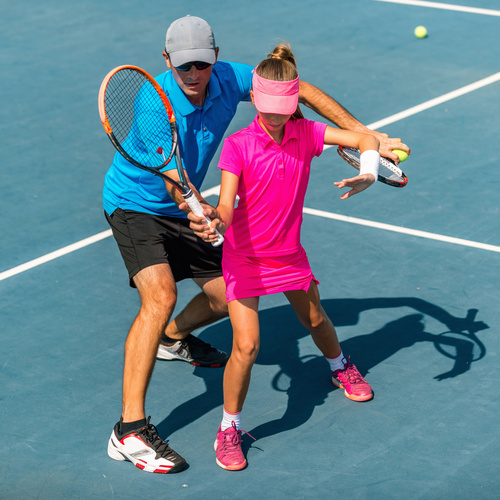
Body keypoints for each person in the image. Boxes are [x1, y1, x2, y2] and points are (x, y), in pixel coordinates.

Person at [103, 15, 410, 474]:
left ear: (215, 57)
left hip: (187, 209)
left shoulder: (230, 78)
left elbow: (300, 91)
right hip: (136, 205)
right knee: (160, 296)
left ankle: (172, 338)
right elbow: (173, 179)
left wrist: (370, 135)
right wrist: (198, 207)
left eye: (202, 64)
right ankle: (129, 430)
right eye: (184, 65)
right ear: (167, 61)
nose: (194, 74)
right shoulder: (153, 103)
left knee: (224, 298)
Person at [198, 44, 380, 471]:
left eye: (283, 108)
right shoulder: (237, 146)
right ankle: (229, 429)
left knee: (316, 320)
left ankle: (340, 365)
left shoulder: (308, 134)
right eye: (268, 108)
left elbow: (366, 139)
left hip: (288, 255)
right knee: (246, 346)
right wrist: (216, 219)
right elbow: (225, 208)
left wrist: (369, 171)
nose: (276, 116)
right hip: (245, 258)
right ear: (255, 98)